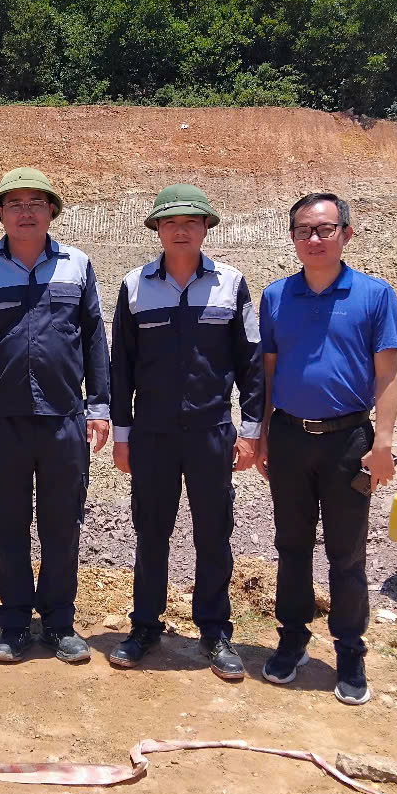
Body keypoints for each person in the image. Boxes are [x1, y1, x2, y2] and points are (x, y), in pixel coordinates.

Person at [0, 167, 110, 664]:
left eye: (36, 202)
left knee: (62, 523)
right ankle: (15, 623)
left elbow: (94, 338)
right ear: (0, 212)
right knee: (9, 524)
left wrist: (99, 405)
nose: (25, 212)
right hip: (3, 421)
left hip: (64, 418)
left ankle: (59, 623)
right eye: (14, 203)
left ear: (51, 211)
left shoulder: (77, 266)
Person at [109, 184, 263, 679]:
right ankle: (144, 626)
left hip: (210, 432)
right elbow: (121, 367)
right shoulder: (135, 286)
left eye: (192, 222)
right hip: (152, 434)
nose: (181, 230)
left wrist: (250, 431)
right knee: (150, 532)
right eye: (171, 222)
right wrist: (122, 435)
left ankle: (215, 631)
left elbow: (251, 363)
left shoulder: (230, 283)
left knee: (213, 533)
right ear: (157, 228)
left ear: (205, 228)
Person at [257, 193, 397, 705]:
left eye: (324, 229)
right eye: (303, 230)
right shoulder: (276, 296)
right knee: (291, 546)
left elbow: (387, 375)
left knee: (347, 553)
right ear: (292, 237)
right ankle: (292, 640)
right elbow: (268, 371)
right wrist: (263, 433)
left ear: (346, 233)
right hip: (291, 437)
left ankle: (350, 652)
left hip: (349, 442)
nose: (313, 239)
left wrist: (383, 443)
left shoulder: (374, 295)